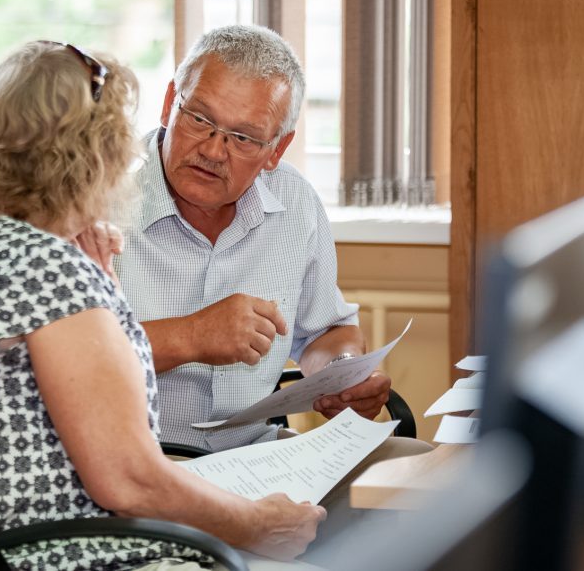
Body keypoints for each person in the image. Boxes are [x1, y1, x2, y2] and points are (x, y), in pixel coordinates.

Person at [0, 40, 325, 570]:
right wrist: (261, 523)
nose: (133, 155)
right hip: (70, 554)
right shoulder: (41, 268)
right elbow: (129, 479)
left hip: (34, 545)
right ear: (93, 154)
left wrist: (102, 288)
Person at [115, 25, 426, 458]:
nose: (213, 150)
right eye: (200, 119)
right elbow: (62, 359)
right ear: (170, 104)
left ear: (277, 149)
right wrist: (190, 336)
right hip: (136, 463)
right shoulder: (97, 198)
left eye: (243, 137)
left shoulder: (294, 200)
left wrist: (340, 376)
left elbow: (327, 331)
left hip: (256, 454)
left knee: (416, 465)